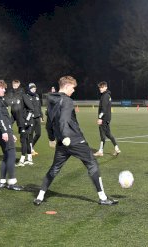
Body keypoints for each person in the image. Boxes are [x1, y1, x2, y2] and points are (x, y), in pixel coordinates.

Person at [34, 75, 118, 206]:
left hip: (61, 142)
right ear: (66, 86)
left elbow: (49, 122)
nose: (73, 90)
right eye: (73, 88)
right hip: (74, 139)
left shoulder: (51, 101)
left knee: (55, 168)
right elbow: (64, 119)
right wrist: (66, 135)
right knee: (92, 163)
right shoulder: (67, 100)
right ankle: (103, 197)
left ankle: (39, 196)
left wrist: (51, 138)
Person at [0, 79, 23, 191]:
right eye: (2, 88)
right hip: (2, 131)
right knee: (11, 154)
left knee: (6, 156)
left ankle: (2, 181)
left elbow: (4, 117)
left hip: (4, 130)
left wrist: (10, 132)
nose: (4, 89)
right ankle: (11, 182)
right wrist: (5, 132)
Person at [7, 80, 34, 167]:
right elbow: (14, 113)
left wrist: (27, 121)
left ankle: (22, 161)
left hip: (25, 123)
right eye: (13, 84)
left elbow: (31, 108)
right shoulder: (12, 96)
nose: (14, 86)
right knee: (26, 140)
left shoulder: (23, 95)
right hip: (20, 122)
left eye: (16, 84)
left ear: (19, 84)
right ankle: (29, 159)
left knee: (23, 141)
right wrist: (9, 123)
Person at [93, 81, 121, 157]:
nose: (100, 89)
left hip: (104, 119)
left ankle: (100, 151)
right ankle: (117, 148)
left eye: (102, 87)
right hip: (107, 118)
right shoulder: (106, 95)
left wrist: (100, 118)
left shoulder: (105, 96)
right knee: (108, 134)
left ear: (106, 87)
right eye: (99, 87)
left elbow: (104, 109)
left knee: (102, 135)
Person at [27, 83, 43, 156]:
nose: (34, 89)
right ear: (30, 89)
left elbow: (39, 106)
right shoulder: (27, 96)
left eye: (35, 88)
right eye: (33, 88)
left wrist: (41, 115)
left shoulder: (37, 96)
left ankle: (31, 146)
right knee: (30, 134)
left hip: (37, 117)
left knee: (38, 134)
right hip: (31, 118)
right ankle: (30, 148)